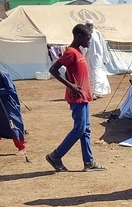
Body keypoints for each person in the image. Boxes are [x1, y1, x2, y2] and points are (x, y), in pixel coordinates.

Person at [45, 24, 107, 172]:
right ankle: (55, 155)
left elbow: (69, 72)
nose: (89, 41)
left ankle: (89, 162)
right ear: (79, 36)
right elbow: (53, 70)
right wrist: (70, 86)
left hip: (84, 96)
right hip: (77, 97)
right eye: (88, 38)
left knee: (85, 130)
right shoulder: (71, 52)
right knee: (79, 129)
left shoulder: (79, 52)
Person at [0, 58, 26, 154]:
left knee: (13, 124)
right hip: (0, 103)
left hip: (9, 103)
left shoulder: (3, 75)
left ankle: (21, 147)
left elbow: (11, 90)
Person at [83, 19, 112, 99]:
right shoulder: (84, 34)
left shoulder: (97, 33)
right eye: (88, 25)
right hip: (88, 56)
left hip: (97, 56)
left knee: (97, 72)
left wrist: (105, 57)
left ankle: (96, 92)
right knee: (92, 73)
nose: (90, 27)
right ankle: (98, 91)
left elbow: (102, 45)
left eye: (91, 25)